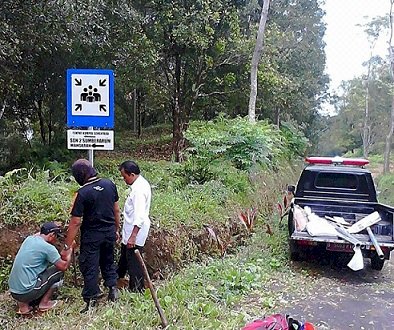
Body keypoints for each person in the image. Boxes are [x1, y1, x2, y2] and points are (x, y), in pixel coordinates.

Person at [63, 159, 121, 313]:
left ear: (80, 175)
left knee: (90, 266)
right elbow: (116, 210)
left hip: (92, 236)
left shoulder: (83, 193)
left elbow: (75, 222)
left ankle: (92, 300)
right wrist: (116, 229)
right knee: (108, 261)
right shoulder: (109, 184)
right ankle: (113, 289)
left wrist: (67, 246)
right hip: (109, 232)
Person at [8, 222, 72, 315]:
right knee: (58, 271)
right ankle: (44, 304)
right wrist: (69, 250)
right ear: (52, 235)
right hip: (27, 292)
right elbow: (63, 266)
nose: (56, 239)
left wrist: (52, 225)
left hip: (14, 292)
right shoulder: (48, 248)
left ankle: (23, 308)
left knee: (27, 274)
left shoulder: (29, 239)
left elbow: (40, 233)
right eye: (56, 236)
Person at [117, 160, 151, 292]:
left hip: (135, 231)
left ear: (131, 174)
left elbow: (139, 216)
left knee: (134, 262)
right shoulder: (140, 184)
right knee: (125, 255)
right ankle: (117, 278)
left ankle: (137, 289)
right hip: (130, 230)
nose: (124, 179)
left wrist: (133, 236)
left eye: (124, 177)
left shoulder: (138, 191)